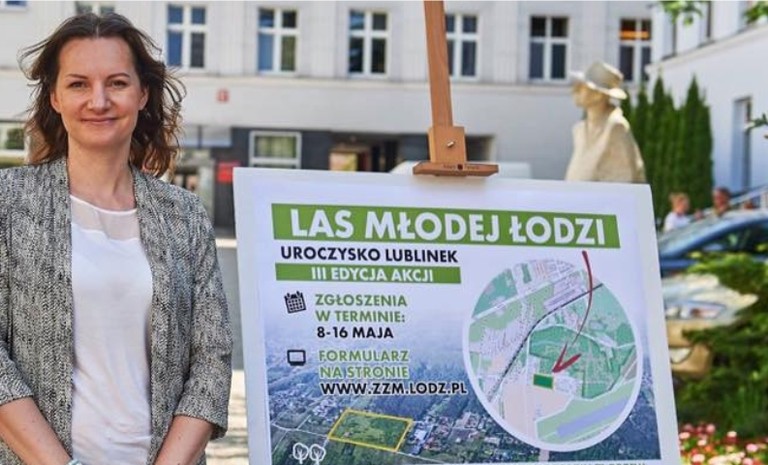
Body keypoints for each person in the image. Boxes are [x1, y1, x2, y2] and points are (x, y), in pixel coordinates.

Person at [0, 13, 232, 465]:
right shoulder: (8, 202)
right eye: (79, 84)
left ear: (142, 94)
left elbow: (212, 360)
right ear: (55, 97)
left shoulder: (183, 215)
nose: (99, 100)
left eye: (118, 83)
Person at [564, 61, 646, 183]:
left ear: (598, 94)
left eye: (582, 86)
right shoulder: (579, 130)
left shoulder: (616, 128)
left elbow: (627, 180)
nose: (575, 90)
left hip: (602, 195)